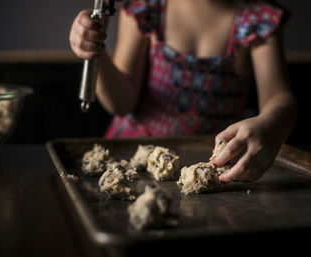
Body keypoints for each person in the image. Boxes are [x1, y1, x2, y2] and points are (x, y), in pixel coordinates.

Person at [69, 0, 297, 183]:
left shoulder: (259, 19)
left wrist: (272, 123)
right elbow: (121, 104)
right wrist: (95, 51)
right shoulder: (147, 7)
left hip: (208, 168)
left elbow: (279, 97)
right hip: (129, 158)